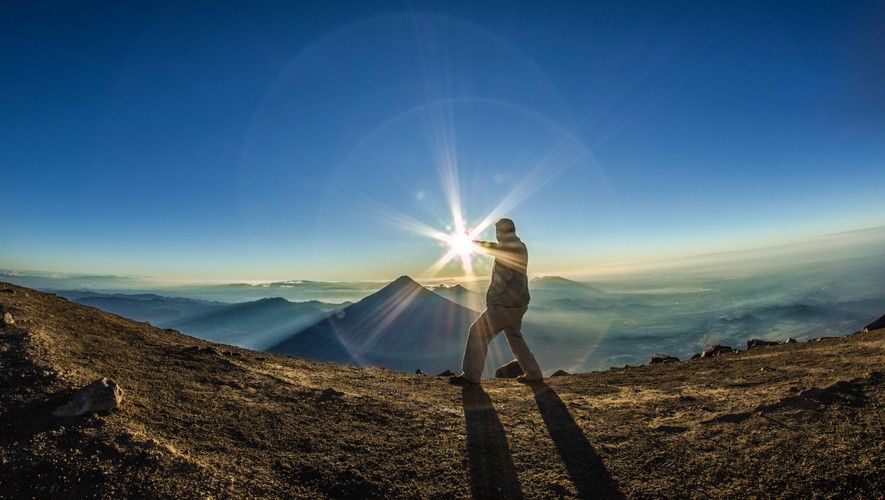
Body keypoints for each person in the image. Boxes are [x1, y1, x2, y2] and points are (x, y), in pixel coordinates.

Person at [450, 218, 544, 386]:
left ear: (500, 232)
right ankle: (533, 373)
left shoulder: (507, 249)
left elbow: (503, 277)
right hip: (519, 304)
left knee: (477, 333)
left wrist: (492, 297)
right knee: (515, 337)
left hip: (504, 305)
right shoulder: (520, 246)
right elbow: (493, 248)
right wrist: (472, 242)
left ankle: (471, 376)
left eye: (497, 232)